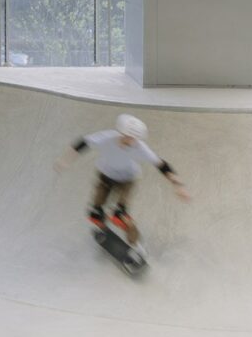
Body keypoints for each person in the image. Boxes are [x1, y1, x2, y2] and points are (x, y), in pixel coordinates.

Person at [54, 112, 188, 263]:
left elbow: (162, 165)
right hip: (105, 178)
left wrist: (179, 186)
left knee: (120, 216)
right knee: (95, 213)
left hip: (127, 181)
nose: (131, 142)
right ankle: (102, 228)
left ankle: (137, 245)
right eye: (128, 137)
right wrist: (65, 160)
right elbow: (82, 143)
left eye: (134, 139)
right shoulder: (106, 138)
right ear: (120, 132)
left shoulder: (139, 146)